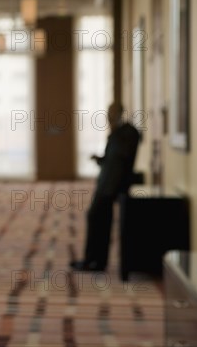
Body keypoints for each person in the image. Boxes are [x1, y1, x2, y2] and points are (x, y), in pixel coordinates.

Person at [70, 102, 141, 272]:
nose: (109, 116)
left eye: (112, 113)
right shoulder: (117, 133)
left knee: (96, 217)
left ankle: (94, 260)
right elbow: (111, 159)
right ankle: (94, 260)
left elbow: (122, 159)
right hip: (105, 184)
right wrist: (99, 159)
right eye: (108, 113)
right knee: (98, 219)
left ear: (120, 113)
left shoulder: (127, 133)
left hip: (113, 186)